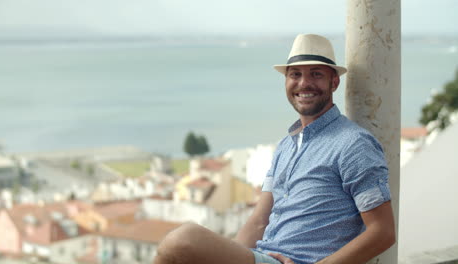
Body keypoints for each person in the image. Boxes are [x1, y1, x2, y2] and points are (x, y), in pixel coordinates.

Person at [152, 34, 396, 264]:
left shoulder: (353, 143)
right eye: (295, 74)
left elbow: (382, 231)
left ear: (334, 82)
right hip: (265, 256)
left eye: (316, 74)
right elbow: (259, 221)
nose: (304, 83)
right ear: (286, 81)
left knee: (182, 240)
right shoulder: (285, 147)